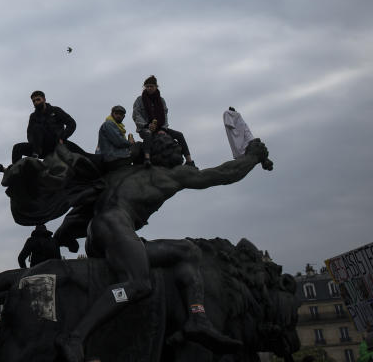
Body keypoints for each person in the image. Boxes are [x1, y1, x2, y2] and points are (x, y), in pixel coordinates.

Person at [55, 136, 273, 362]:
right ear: (167, 153)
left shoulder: (123, 172)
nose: (179, 149)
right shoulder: (172, 174)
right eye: (175, 146)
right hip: (115, 227)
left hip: (100, 232)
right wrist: (252, 157)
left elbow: (85, 202)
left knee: (187, 251)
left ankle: (197, 317)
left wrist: (63, 234)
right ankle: (75, 337)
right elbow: (224, 174)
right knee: (137, 283)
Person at [132, 75, 195, 166]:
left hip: (160, 128)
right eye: (147, 86)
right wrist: (147, 126)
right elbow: (136, 115)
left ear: (156, 87)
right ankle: (147, 158)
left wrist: (163, 129)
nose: (149, 88)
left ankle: (189, 161)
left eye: (151, 86)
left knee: (179, 135)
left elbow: (165, 116)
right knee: (148, 134)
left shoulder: (161, 100)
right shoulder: (139, 100)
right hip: (145, 128)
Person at [27, 91, 78, 157]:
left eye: (38, 99)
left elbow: (72, 124)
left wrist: (63, 137)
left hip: (55, 142)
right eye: (33, 101)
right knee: (17, 148)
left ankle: (36, 154)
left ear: (44, 99)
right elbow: (29, 133)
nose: (36, 102)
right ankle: (15, 166)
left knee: (37, 127)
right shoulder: (33, 116)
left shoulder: (56, 110)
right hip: (39, 146)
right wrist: (32, 143)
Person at [97, 105, 136, 170]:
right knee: (138, 147)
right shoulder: (109, 124)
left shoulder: (118, 127)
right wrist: (130, 143)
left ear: (123, 116)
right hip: (113, 156)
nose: (118, 115)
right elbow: (119, 142)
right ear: (112, 114)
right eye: (116, 113)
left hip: (115, 155)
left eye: (121, 114)